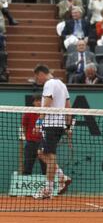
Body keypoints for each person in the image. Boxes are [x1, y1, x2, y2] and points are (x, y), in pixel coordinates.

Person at [32, 64, 72, 199]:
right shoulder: (62, 84)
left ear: (41, 74)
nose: (38, 80)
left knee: (50, 156)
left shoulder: (49, 84)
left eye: (37, 77)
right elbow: (68, 107)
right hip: (59, 125)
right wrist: (67, 125)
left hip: (50, 125)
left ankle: (48, 189)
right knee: (41, 153)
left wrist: (39, 122)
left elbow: (47, 104)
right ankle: (62, 177)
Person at [21, 95, 47, 175]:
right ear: (33, 102)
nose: (39, 102)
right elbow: (24, 127)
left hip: (43, 143)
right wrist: (28, 138)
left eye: (40, 100)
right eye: (37, 100)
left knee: (45, 168)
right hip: (30, 143)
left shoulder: (47, 114)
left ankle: (47, 186)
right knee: (27, 167)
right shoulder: (28, 113)